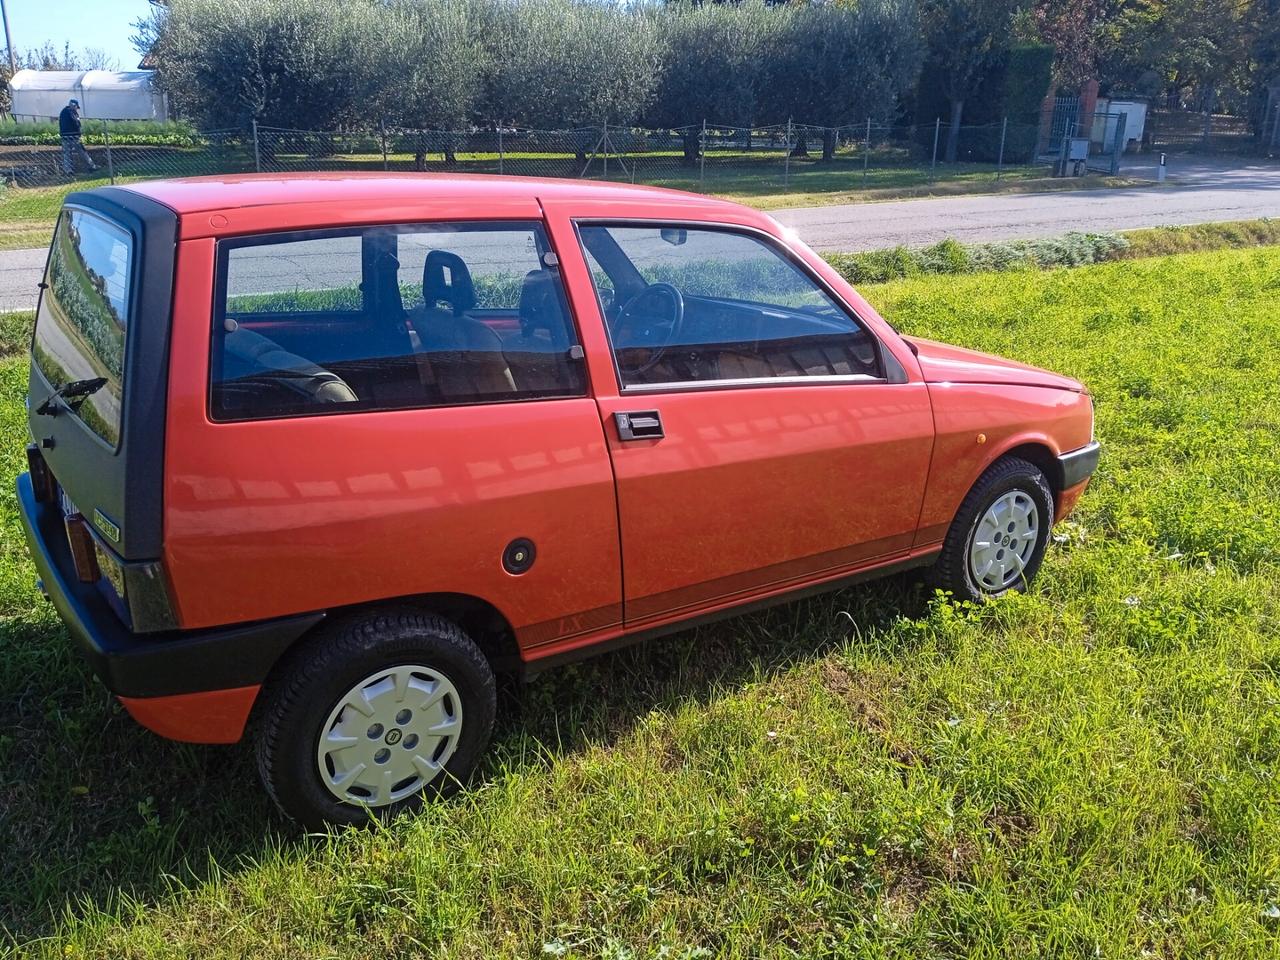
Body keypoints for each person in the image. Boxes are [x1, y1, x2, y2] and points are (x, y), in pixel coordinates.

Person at [58, 99, 97, 176]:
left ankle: (68, 170)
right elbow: (76, 123)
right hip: (73, 136)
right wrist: (79, 130)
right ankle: (91, 166)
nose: (76, 109)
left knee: (67, 153)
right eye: (76, 107)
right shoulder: (71, 112)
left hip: (64, 136)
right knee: (81, 151)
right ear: (73, 105)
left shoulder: (63, 111)